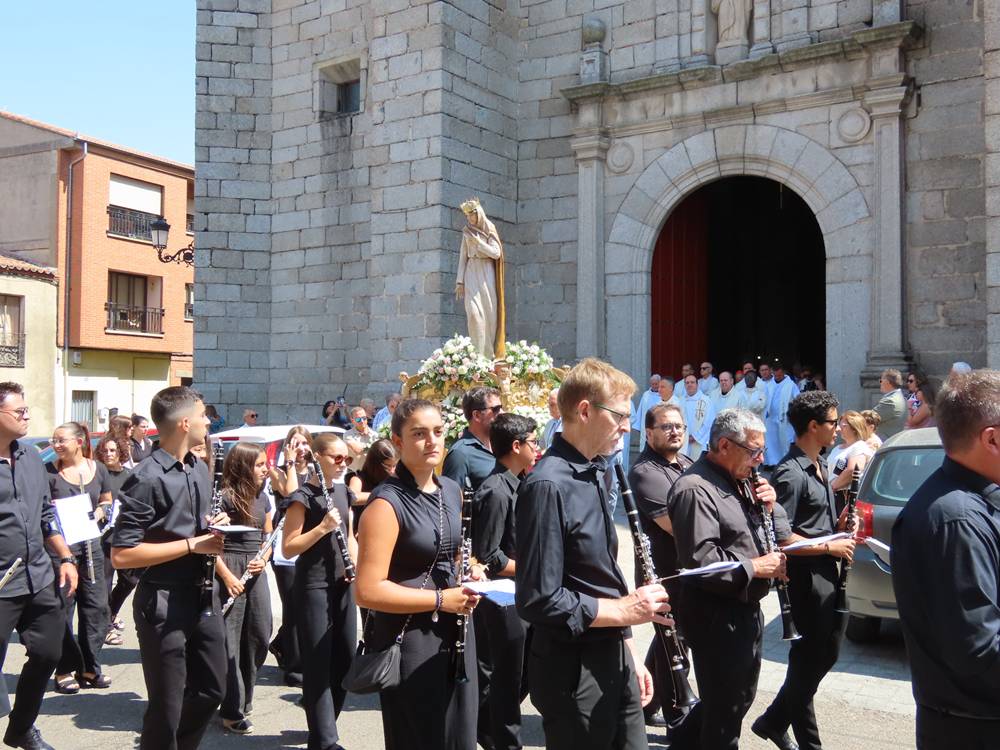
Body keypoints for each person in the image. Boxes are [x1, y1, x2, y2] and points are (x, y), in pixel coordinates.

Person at [515, 358, 670, 750]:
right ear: (585, 411)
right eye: (619, 414)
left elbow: (603, 575)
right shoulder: (547, 485)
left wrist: (629, 648)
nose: (627, 426)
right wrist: (624, 612)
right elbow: (539, 598)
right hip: (572, 668)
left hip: (611, 651)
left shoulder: (599, 471)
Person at [355, 399, 483, 750]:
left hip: (454, 631)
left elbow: (447, 553)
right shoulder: (385, 503)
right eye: (419, 434)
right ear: (397, 441)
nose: (432, 441)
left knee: (459, 738)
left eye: (438, 432)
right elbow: (366, 591)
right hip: (410, 638)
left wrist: (469, 569)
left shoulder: (451, 491)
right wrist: (441, 598)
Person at [111, 386, 229, 750]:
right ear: (183, 423)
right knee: (166, 706)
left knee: (212, 689)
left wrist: (214, 525)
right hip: (162, 601)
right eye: (202, 414)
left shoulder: (197, 467)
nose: (207, 420)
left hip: (202, 594)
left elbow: (194, 527)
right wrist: (194, 544)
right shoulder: (147, 478)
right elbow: (122, 555)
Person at [666, 408, 788, 750]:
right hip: (716, 615)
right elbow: (701, 561)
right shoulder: (695, 488)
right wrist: (756, 567)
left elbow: (769, 533)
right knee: (724, 713)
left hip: (744, 609)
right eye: (753, 451)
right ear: (723, 445)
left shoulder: (741, 480)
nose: (760, 459)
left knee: (736, 700)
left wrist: (772, 506)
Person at [891, 370, 1000, 749]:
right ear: (993, 438)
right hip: (975, 730)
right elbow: (981, 650)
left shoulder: (971, 503)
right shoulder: (958, 519)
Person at [753, 392, 857, 750]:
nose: (838, 427)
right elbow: (781, 536)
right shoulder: (789, 473)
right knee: (809, 660)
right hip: (805, 578)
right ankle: (793, 733)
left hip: (827, 571)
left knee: (821, 656)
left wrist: (841, 525)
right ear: (813, 426)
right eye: (833, 422)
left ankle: (775, 721)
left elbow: (817, 523)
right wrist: (830, 545)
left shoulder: (822, 465)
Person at [0, 381, 78, 750]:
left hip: (39, 576)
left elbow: (47, 513)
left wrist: (64, 556)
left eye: (27, 409)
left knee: (49, 651)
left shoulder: (31, 456)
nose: (27, 415)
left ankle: (21, 729)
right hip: (2, 585)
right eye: (20, 411)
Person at [282, 433, 357, 750]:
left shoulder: (342, 491)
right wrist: (323, 527)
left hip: (343, 583)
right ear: (318, 458)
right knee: (318, 661)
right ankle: (326, 739)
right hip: (313, 585)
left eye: (346, 459)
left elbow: (350, 535)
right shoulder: (303, 496)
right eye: (336, 458)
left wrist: (354, 563)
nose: (343, 464)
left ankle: (323, 726)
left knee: (345, 658)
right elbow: (288, 548)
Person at [472, 413, 538, 750]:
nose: (537, 448)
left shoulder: (519, 481)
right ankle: (503, 740)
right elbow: (489, 555)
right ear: (516, 446)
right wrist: (533, 566)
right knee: (508, 679)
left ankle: (485, 725)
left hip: (521, 592)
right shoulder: (496, 490)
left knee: (524, 673)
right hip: (503, 597)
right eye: (533, 442)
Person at [628, 402, 694, 731]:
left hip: (689, 570)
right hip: (665, 574)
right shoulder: (645, 472)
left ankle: (644, 704)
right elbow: (676, 525)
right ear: (649, 432)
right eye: (666, 426)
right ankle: (678, 718)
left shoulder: (686, 462)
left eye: (679, 426)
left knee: (668, 640)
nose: (675, 431)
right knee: (675, 647)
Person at [46, 421, 114, 694]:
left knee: (96, 608)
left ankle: (89, 668)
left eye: (62, 440)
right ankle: (63, 669)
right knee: (63, 610)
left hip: (91, 547)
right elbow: (41, 510)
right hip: (61, 551)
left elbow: (106, 500)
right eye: (54, 440)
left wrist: (97, 515)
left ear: (79, 442)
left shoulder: (97, 469)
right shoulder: (48, 473)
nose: (57, 445)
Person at [215, 442, 273, 734]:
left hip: (255, 568)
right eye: (260, 464)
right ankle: (231, 708)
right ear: (244, 466)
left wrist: (264, 559)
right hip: (230, 567)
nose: (266, 468)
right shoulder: (224, 498)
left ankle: (244, 696)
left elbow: (268, 537)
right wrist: (227, 577)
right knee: (231, 641)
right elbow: (209, 547)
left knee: (260, 634)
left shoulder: (264, 497)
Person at [267, 426, 313, 689]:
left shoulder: (316, 471)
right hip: (286, 548)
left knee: (305, 605)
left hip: (310, 544)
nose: (300, 447)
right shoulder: (279, 472)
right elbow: (293, 493)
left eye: (304, 443)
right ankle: (295, 668)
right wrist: (291, 463)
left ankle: (283, 643)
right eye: (295, 443)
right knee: (293, 607)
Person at [93, 436, 134, 646]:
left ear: (120, 453)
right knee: (105, 585)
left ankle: (111, 614)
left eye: (112, 451)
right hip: (104, 538)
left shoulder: (129, 476)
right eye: (105, 451)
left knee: (130, 579)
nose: (109, 455)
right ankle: (106, 628)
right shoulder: (98, 475)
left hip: (126, 537)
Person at [456, 197, 506, 359]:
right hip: (471, 271)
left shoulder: (489, 228)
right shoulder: (467, 231)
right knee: (474, 314)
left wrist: (479, 244)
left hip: (486, 273)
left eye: (472, 214)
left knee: (489, 315)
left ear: (479, 214)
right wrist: (460, 281)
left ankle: (488, 355)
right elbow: (463, 257)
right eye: (467, 215)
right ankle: (477, 356)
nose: (470, 218)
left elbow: (496, 253)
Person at [442, 386, 502, 491]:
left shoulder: (501, 443)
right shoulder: (460, 454)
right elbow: (451, 499)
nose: (502, 413)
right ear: (477, 415)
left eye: (501, 407)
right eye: (496, 409)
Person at [826, 411, 875, 513]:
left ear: (854, 428)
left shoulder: (859, 446)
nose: (839, 429)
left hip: (845, 496)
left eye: (843, 425)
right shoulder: (837, 448)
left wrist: (832, 488)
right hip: (832, 494)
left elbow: (853, 470)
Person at [346, 438, 397, 530]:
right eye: (388, 466)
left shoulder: (393, 479)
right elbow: (353, 497)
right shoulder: (358, 478)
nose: (392, 470)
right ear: (375, 464)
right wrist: (385, 495)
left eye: (394, 466)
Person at [764, 363, 800, 466]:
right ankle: (772, 463)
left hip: (784, 418)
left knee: (785, 441)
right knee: (771, 441)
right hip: (771, 417)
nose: (777, 377)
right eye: (775, 375)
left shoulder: (791, 385)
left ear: (783, 373)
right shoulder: (769, 385)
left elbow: (797, 399)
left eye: (779, 375)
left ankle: (786, 463)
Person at [679, 374, 715, 460]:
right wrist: (683, 436)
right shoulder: (680, 400)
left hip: (699, 442)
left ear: (697, 384)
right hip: (683, 441)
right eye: (687, 383)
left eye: (692, 382)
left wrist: (695, 437)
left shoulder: (706, 401)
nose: (689, 385)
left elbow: (709, 422)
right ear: (684, 385)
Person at [872, 369, 907, 440]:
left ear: (887, 382)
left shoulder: (890, 401)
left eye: (881, 381)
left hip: (886, 443)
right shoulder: (901, 396)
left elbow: (868, 418)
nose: (880, 383)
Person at [631, 374, 662, 452]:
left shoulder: (663, 395)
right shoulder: (646, 395)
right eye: (653, 384)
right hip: (646, 428)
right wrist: (638, 426)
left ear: (660, 383)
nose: (654, 386)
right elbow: (640, 411)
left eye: (656, 384)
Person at [344, 405, 378, 469]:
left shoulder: (375, 434)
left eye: (364, 418)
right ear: (352, 420)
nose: (362, 421)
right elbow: (357, 450)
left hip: (371, 470)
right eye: (358, 419)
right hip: (355, 473)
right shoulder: (347, 435)